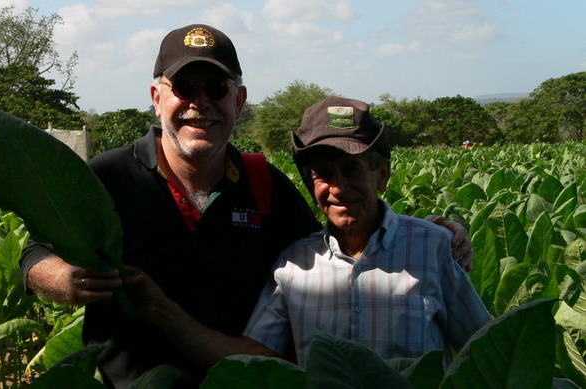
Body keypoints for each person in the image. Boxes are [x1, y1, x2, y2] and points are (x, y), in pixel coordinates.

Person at [20, 25, 473, 387]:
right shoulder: (107, 176)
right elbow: (34, 254)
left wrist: (429, 236)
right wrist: (64, 278)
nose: (200, 103)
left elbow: (336, 237)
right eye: (184, 87)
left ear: (238, 100)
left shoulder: (263, 182)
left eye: (215, 87)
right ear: (157, 97)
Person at [124, 96, 492, 370]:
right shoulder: (294, 264)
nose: (338, 187)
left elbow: (486, 352)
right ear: (307, 182)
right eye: (323, 174)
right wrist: (161, 310)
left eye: (352, 170)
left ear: (382, 175)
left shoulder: (434, 246)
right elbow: (251, 357)